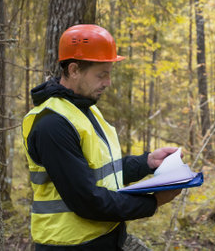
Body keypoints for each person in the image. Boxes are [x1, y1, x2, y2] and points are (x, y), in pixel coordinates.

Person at [22, 24, 181, 250]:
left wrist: (147, 163)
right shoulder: (52, 124)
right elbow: (88, 200)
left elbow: (104, 173)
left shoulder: (85, 109)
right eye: (101, 74)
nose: (108, 82)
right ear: (74, 69)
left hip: (103, 239)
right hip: (70, 245)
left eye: (109, 73)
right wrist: (153, 202)